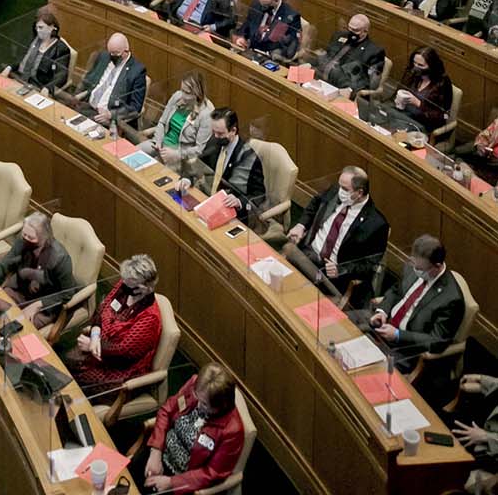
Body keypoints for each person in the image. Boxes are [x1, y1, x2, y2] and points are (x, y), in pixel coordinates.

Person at [283, 166, 389, 296]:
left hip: (329, 275)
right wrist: (301, 225)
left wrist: (341, 269)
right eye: (340, 186)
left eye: (345, 189)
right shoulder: (335, 191)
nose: (340, 191)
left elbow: (369, 264)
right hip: (307, 252)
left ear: (359, 192)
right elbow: (315, 204)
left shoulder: (376, 224)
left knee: (292, 285)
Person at [67, 253, 162, 396]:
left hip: (119, 369)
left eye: (129, 283)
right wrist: (95, 336)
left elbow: (123, 352)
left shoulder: (150, 317)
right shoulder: (124, 287)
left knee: (76, 383)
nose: (123, 283)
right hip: (98, 346)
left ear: (143, 288)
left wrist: (93, 345)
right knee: (67, 362)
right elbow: (101, 309)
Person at [142, 361, 245, 493]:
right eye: (197, 396)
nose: (198, 405)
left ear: (220, 407)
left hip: (182, 480)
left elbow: (212, 473)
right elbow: (166, 411)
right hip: (160, 451)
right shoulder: (196, 385)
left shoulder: (232, 431)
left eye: (205, 404)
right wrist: (156, 451)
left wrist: (171, 483)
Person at [369, 234, 466, 372]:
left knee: (370, 371)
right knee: (345, 328)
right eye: (414, 264)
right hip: (382, 327)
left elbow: (437, 341)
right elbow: (396, 290)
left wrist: (398, 335)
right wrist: (382, 311)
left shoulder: (451, 299)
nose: (415, 269)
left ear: (437, 266)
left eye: (420, 269)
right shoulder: (414, 265)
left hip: (405, 351)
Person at [0, 212, 75, 328]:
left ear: (44, 237)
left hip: (45, 305)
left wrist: (38, 305)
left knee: (17, 328)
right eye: (24, 235)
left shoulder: (61, 258)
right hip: (20, 291)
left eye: (31, 238)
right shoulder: (23, 241)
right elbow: (7, 263)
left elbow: (67, 294)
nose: (26, 239)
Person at [184, 108, 266, 221]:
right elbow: (198, 164)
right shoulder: (214, 141)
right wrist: (187, 179)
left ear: (233, 131)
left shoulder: (248, 158)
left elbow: (259, 194)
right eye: (214, 132)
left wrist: (239, 201)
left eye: (220, 133)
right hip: (207, 201)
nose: (215, 136)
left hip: (231, 211)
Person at [78, 33, 147, 127]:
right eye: (110, 52)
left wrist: (111, 115)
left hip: (107, 118)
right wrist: (79, 95)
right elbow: (90, 80)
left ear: (126, 50)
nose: (112, 56)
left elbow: (135, 107)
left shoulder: (137, 71)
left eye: (116, 53)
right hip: (87, 106)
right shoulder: (104, 56)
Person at [385, 46, 453, 135]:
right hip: (403, 116)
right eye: (414, 63)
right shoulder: (411, 73)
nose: (415, 67)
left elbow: (444, 116)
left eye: (421, 65)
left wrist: (418, 103)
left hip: (422, 125)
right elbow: (395, 95)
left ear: (432, 66)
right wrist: (397, 100)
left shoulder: (442, 83)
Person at [150, 72, 213, 166]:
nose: (183, 95)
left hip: (179, 154)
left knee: (152, 169)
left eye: (187, 93)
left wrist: (177, 154)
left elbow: (199, 149)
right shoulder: (177, 96)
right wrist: (158, 141)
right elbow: (162, 122)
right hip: (160, 144)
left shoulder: (206, 114)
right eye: (182, 90)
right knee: (135, 153)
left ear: (197, 94)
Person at [314, 13, 386, 93]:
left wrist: (350, 90)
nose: (351, 32)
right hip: (321, 78)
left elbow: (369, 83)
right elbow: (328, 55)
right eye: (349, 28)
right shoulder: (338, 35)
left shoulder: (374, 51)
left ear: (365, 31)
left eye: (355, 30)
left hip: (345, 87)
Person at [7, 6, 72, 92]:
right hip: (18, 78)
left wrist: (48, 88)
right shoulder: (33, 39)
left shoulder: (61, 49)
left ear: (52, 27)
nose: (38, 30)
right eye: (36, 28)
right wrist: (9, 67)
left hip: (37, 86)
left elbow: (61, 75)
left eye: (41, 27)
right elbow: (21, 57)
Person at [233, 0, 301, 62]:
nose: (262, 8)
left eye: (266, 6)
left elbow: (290, 45)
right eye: (262, 5)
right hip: (251, 51)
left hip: (272, 57)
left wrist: (277, 53)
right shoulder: (256, 4)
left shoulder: (291, 16)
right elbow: (247, 23)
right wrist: (241, 37)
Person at [456, 112, 498, 185]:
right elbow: (484, 136)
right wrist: (480, 145)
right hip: (485, 157)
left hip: (494, 169)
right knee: (457, 154)